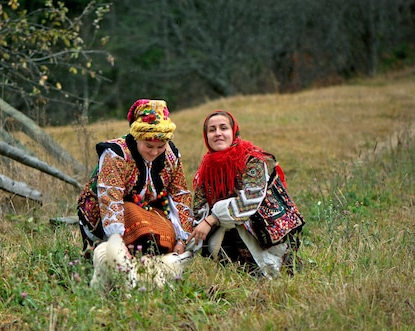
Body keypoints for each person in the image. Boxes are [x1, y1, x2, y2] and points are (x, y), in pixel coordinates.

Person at [187, 110, 305, 278]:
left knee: (233, 224)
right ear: (206, 136)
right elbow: (199, 210)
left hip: (264, 230)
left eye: (223, 128)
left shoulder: (252, 160)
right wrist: (188, 244)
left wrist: (212, 219)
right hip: (229, 228)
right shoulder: (206, 169)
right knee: (220, 232)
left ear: (233, 131)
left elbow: (249, 201)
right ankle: (235, 267)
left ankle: (274, 266)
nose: (218, 133)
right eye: (212, 130)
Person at [77, 99, 194, 259]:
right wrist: (116, 240)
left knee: (163, 235)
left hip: (150, 213)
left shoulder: (171, 155)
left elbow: (180, 195)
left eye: (161, 146)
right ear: (136, 137)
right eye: (149, 146)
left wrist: (182, 239)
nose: (154, 152)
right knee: (114, 249)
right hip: (109, 214)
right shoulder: (116, 153)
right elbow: (110, 196)